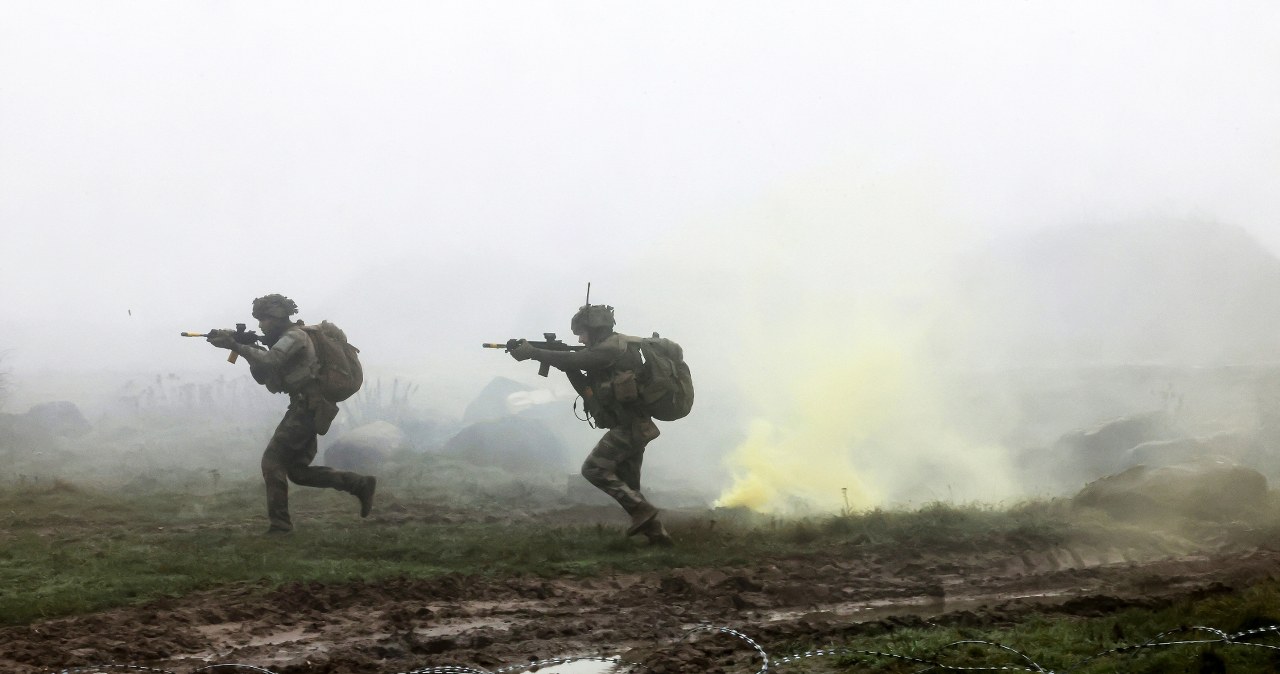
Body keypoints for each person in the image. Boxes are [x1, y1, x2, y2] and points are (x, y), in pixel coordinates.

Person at [206, 294, 376, 535]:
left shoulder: (295, 336)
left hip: (307, 408)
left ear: (276, 316)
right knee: (298, 472)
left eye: (263, 319)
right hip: (305, 407)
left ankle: (280, 525)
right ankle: (358, 484)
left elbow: (272, 360)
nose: (261, 325)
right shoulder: (285, 338)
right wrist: (246, 347)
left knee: (271, 462)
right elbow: (264, 374)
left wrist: (236, 346)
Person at [509, 303, 673, 546]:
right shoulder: (612, 348)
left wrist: (535, 352)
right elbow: (582, 378)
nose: (581, 339)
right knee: (629, 486)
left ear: (596, 329)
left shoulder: (611, 349)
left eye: (582, 333)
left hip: (629, 426)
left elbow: (580, 360)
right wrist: (555, 357)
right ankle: (658, 538)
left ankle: (644, 512)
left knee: (594, 469)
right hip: (633, 425)